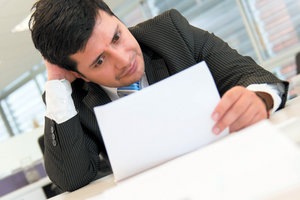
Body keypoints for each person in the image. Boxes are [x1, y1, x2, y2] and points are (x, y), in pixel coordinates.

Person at [29, 0, 288, 191]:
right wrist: (56, 81)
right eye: (99, 61)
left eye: (117, 37)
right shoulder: (72, 97)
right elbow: (72, 178)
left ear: (117, 18)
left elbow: (255, 78)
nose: (123, 60)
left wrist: (259, 98)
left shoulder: (170, 33)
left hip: (233, 177)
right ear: (80, 75)